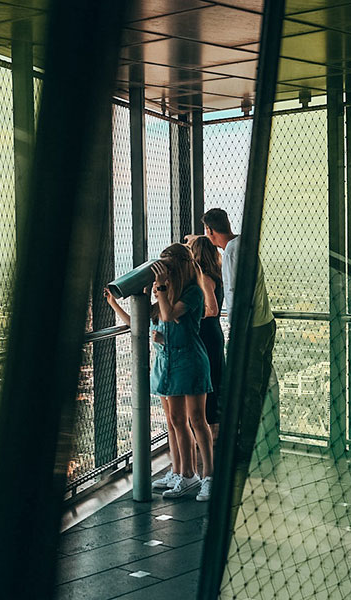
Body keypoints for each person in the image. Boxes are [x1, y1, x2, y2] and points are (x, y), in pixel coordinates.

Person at [106, 244, 215, 502]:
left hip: (188, 361)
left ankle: (208, 476)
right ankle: (183, 473)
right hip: (166, 364)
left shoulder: (192, 293)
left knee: (197, 420)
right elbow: (140, 322)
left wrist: (161, 288)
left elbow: (167, 316)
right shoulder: (168, 293)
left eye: (167, 266)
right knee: (175, 422)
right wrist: (115, 304)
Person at [199, 208, 277, 487]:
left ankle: (247, 448)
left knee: (246, 390)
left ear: (210, 231)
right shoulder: (244, 244)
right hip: (265, 323)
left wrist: (235, 332)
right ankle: (263, 441)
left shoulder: (231, 252)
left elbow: (233, 293)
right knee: (258, 387)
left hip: (249, 330)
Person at [187, 236, 225, 433]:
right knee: (214, 380)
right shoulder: (215, 274)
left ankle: (209, 432)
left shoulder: (204, 278)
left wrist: (190, 315)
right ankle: (212, 431)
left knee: (207, 382)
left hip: (206, 335)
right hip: (213, 334)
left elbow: (212, 309)